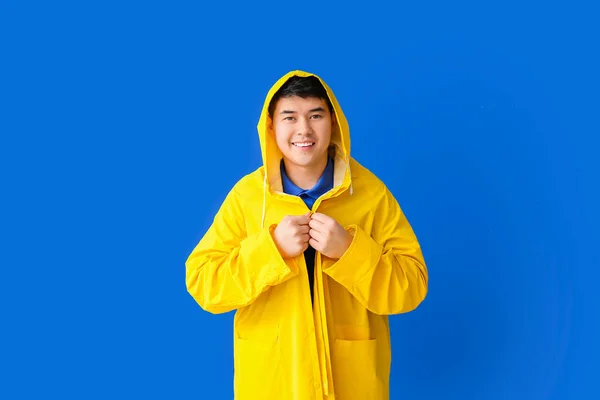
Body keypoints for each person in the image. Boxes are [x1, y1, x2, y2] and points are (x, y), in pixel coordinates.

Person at [185, 70, 428, 400]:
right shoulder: (248, 198)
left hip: (352, 383)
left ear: (333, 122)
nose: (304, 130)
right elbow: (203, 282)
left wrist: (350, 250)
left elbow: (411, 285)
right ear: (271, 126)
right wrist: (270, 250)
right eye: (290, 117)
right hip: (273, 382)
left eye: (316, 115)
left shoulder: (371, 195)